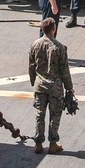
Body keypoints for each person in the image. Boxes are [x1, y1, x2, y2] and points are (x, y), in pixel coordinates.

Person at [28, 15, 75, 154]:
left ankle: (38, 143)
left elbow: (31, 66)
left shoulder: (35, 45)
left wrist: (33, 82)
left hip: (40, 85)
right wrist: (69, 88)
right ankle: (53, 143)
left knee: (39, 114)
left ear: (42, 29)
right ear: (53, 29)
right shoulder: (60, 47)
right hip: (55, 87)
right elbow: (64, 70)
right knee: (55, 115)